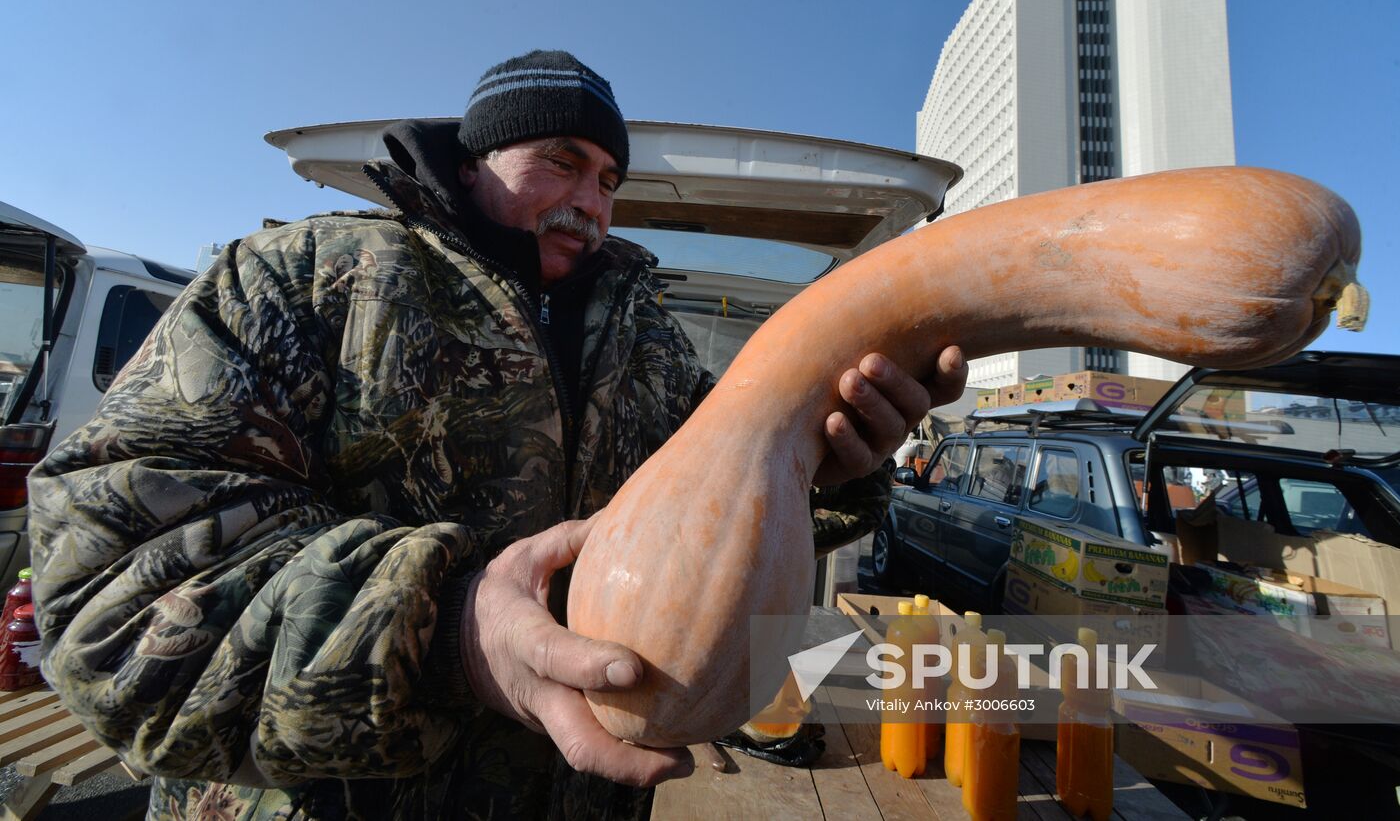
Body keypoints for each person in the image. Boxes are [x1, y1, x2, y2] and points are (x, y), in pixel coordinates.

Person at [28, 50, 967, 820]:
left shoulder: (650, 344)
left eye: (608, 180)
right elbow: (114, 591)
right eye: (561, 161)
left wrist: (825, 465)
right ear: (474, 160)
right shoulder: (298, 281)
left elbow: (724, 525)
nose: (590, 200)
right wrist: (449, 634)